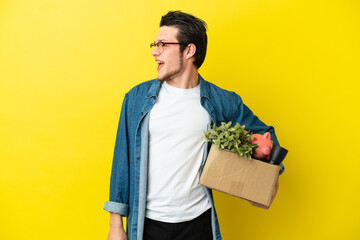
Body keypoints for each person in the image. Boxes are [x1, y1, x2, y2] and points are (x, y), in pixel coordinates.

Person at [104, 10, 284, 240]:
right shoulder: (137, 98)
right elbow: (122, 159)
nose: (154, 52)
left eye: (163, 45)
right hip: (149, 224)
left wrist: (268, 179)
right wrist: (115, 224)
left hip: (199, 222)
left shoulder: (221, 101)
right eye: (154, 44)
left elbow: (267, 136)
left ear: (189, 50)